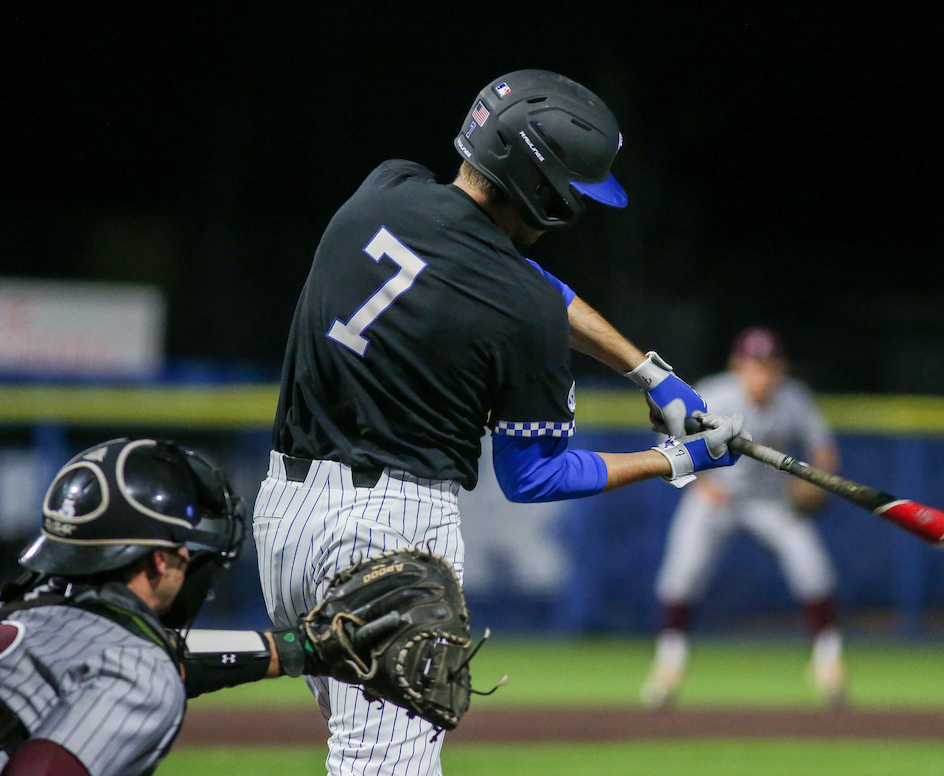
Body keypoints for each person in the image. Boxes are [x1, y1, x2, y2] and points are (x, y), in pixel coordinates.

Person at [253, 68, 743, 776]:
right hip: (389, 537)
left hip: (285, 522)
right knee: (384, 768)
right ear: (540, 185)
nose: (574, 202)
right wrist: (677, 461)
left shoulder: (386, 189)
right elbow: (536, 479)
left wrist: (649, 372)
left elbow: (522, 281)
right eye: (573, 187)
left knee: (361, 753)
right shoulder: (522, 313)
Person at [0, 437, 334, 776]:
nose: (188, 558)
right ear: (160, 560)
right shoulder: (139, 670)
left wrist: (299, 648)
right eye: (182, 546)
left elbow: (159, 655)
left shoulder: (23, 613)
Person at [642, 327, 847, 708]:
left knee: (813, 568)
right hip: (717, 496)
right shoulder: (713, 395)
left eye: (769, 365)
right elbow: (669, 441)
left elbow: (824, 449)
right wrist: (701, 485)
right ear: (738, 365)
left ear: (781, 367)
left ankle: (828, 663)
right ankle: (668, 665)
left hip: (770, 501)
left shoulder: (793, 398)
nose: (763, 373)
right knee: (681, 575)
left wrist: (814, 484)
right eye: (755, 364)